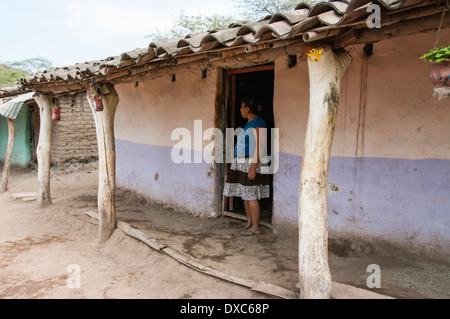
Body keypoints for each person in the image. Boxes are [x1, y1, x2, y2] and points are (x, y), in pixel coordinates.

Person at [223, 96, 270, 236]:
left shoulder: (258, 123)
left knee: (251, 194)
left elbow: (260, 146)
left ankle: (256, 227)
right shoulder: (249, 123)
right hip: (242, 163)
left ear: (247, 108)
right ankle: (249, 223)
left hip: (251, 162)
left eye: (242, 107)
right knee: (245, 194)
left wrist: (253, 166)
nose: (240, 110)